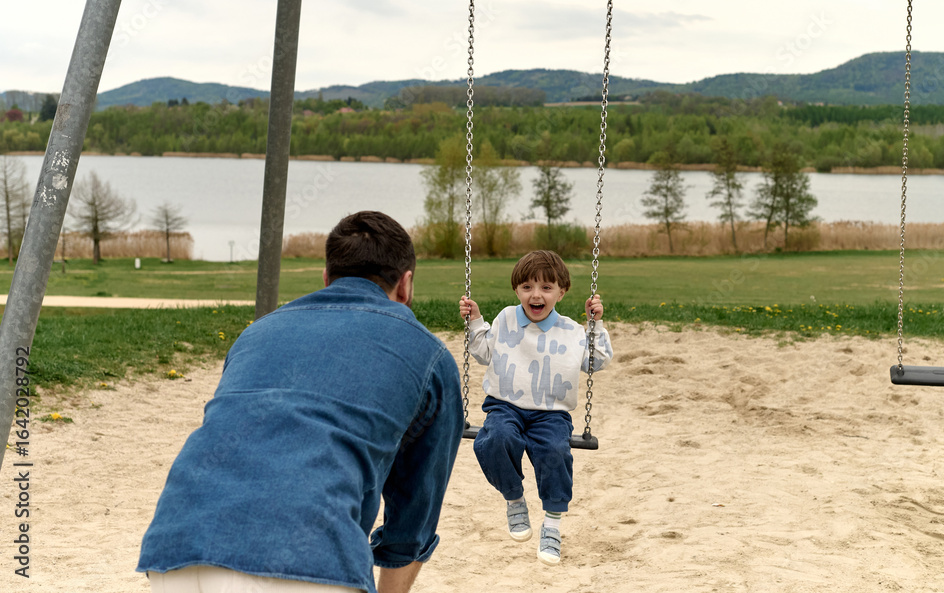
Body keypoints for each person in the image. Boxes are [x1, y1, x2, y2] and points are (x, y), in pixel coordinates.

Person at [138, 211, 465, 593]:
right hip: (309, 563)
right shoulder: (429, 355)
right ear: (405, 285)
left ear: (326, 278)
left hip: (175, 549)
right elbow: (414, 515)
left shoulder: (256, 333)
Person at [458, 250, 613, 566]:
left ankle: (552, 524)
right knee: (495, 439)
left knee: (555, 452)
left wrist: (595, 325)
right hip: (505, 406)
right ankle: (514, 498)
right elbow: (483, 353)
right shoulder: (505, 319)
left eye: (546, 287)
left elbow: (596, 362)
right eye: (527, 287)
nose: (536, 295)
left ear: (561, 292)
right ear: (517, 290)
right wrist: (474, 321)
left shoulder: (572, 331)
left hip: (551, 412)